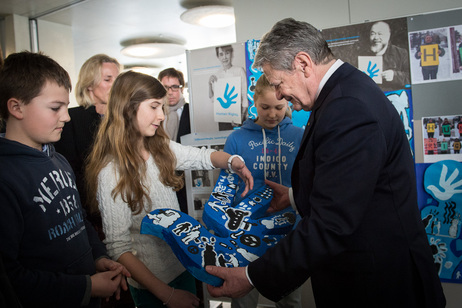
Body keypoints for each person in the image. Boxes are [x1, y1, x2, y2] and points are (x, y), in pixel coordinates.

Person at [206, 18, 446, 307]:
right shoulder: (343, 94)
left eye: (279, 83)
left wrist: (252, 276)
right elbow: (353, 186)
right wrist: (295, 197)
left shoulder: (348, 108)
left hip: (380, 286)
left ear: (303, 63)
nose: (280, 94)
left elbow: (332, 222)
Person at [85, 71, 254, 308]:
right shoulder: (111, 173)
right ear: (128, 107)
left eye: (162, 107)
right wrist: (168, 295)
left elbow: (203, 157)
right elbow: (119, 248)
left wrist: (232, 161)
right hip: (152, 286)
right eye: (154, 107)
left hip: (182, 267)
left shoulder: (159, 147)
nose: (162, 116)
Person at [0, 51, 130, 308]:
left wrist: (98, 257)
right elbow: (10, 277)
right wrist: (88, 286)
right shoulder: (6, 179)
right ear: (16, 107)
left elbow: (78, 218)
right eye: (55, 108)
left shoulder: (58, 160)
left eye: (65, 106)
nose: (66, 116)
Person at [224, 74, 303, 308]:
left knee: (290, 299)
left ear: (287, 102)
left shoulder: (299, 136)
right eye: (264, 107)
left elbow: (309, 182)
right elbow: (226, 187)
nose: (271, 114)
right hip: (245, 231)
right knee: (243, 298)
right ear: (254, 102)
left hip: (288, 229)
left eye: (278, 107)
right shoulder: (237, 138)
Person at [54, 54, 121, 236]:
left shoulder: (123, 121)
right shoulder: (70, 119)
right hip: (91, 218)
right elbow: (71, 173)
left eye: (117, 79)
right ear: (89, 83)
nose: (115, 85)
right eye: (108, 79)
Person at [158, 67, 191, 214]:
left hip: (185, 176)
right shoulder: (155, 113)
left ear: (181, 89)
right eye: (165, 87)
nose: (170, 92)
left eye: (174, 87)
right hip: (159, 176)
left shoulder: (192, 112)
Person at [361, 20, 410, 91]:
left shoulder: (401, 53)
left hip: (394, 96)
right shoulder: (362, 54)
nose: (376, 38)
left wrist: (394, 76)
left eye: (380, 34)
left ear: (388, 36)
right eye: (373, 34)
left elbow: (412, 77)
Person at [208, 45, 248, 131]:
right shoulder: (217, 75)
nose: (224, 57)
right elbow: (213, 99)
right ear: (218, 57)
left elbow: (245, 95)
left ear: (231, 54)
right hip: (223, 117)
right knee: (225, 142)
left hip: (238, 114)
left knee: (239, 142)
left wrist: (241, 116)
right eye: (221, 54)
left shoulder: (239, 70)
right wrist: (209, 84)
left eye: (227, 53)